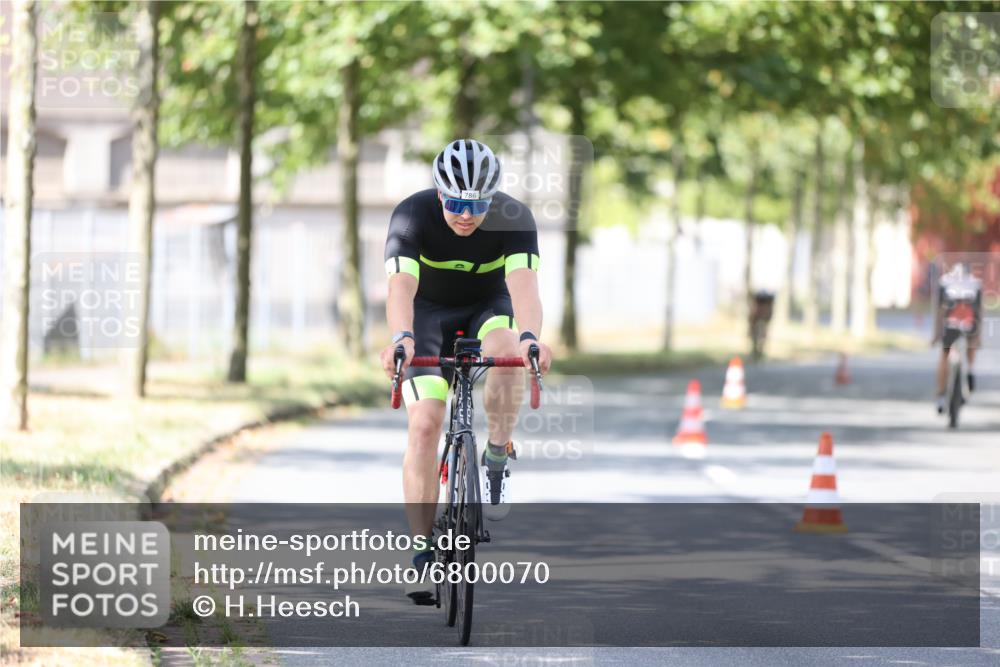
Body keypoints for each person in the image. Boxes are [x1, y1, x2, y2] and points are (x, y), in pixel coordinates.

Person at [380, 139, 553, 604]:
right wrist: (401, 338)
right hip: (427, 317)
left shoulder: (513, 218)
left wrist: (531, 336)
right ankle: (420, 550)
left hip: (488, 308)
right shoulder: (411, 216)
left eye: (476, 204)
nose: (465, 214)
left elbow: (523, 287)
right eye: (455, 203)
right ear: (439, 194)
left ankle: (497, 453)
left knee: (508, 354)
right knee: (424, 427)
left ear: (491, 198)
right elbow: (400, 287)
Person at [932, 262, 982, 414]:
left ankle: (941, 395)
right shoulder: (975, 284)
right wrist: (979, 336)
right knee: (972, 345)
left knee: (944, 355)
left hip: (950, 325)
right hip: (969, 324)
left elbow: (940, 310)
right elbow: (979, 312)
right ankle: (970, 372)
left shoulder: (945, 282)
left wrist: (936, 334)